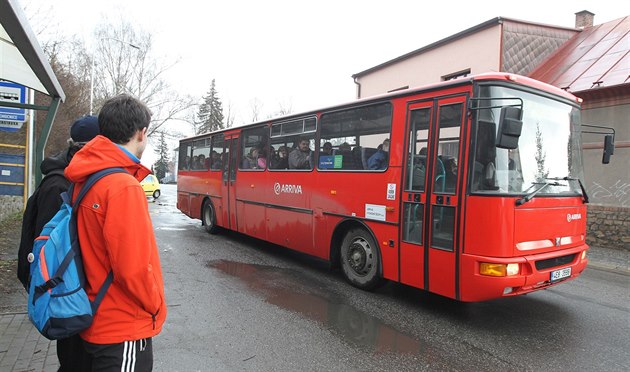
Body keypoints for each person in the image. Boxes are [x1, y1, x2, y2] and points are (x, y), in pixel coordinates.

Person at [64, 94, 167, 371]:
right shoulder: (123, 186)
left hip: (95, 314)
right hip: (123, 325)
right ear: (141, 133)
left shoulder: (88, 176)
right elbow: (132, 268)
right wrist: (155, 305)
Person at [17, 115, 100, 371]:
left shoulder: (66, 179)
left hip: (64, 289)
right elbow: (48, 250)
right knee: (74, 360)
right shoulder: (58, 185)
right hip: (62, 292)